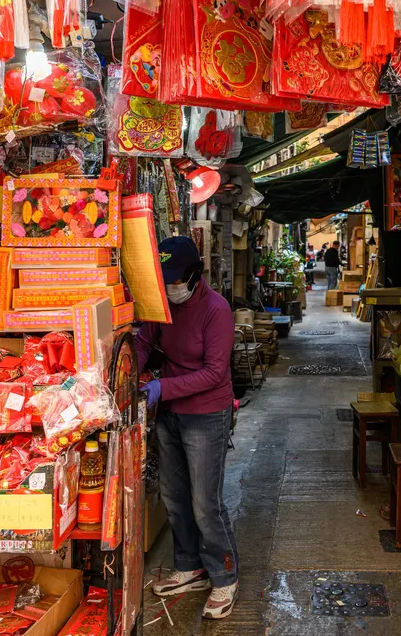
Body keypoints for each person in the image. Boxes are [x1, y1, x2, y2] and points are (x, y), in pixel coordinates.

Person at [137, 237, 240, 619]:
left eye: (176, 280)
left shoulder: (217, 310)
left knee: (204, 503)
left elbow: (215, 373)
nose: (170, 288)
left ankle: (224, 575)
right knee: (174, 497)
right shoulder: (161, 305)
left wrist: (164, 386)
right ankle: (189, 565)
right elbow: (146, 340)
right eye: (164, 281)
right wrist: (134, 365)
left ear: (196, 275)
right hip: (169, 412)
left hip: (206, 414)